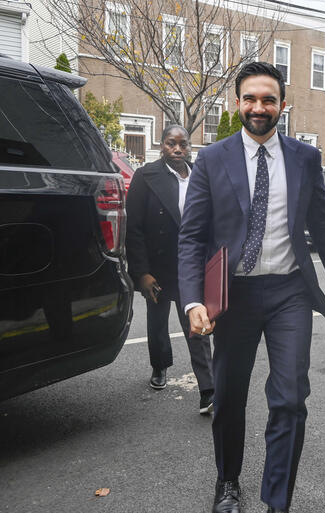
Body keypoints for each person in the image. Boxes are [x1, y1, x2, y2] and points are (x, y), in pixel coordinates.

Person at [178, 62, 325, 513]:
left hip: (289, 292)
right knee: (229, 394)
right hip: (232, 296)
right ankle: (227, 482)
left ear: (283, 105)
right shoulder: (212, 160)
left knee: (291, 397)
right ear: (237, 103)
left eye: (269, 99)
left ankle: (277, 500)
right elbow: (192, 236)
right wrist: (195, 298)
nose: (259, 107)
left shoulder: (305, 158)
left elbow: (321, 223)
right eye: (251, 98)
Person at [126, 125, 214, 413]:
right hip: (159, 266)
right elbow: (134, 229)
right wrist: (142, 273)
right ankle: (160, 366)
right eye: (170, 143)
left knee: (197, 325)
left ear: (189, 147)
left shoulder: (200, 176)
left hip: (192, 265)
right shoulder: (145, 176)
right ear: (161, 145)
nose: (177, 149)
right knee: (158, 320)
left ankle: (208, 388)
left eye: (183, 144)